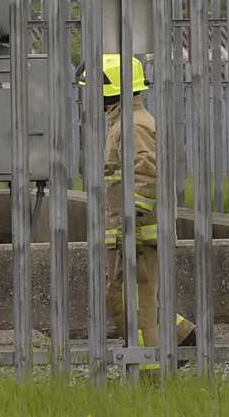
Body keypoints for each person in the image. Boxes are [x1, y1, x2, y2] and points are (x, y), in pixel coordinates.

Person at [88, 53, 198, 355]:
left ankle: (149, 370)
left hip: (137, 234)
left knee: (134, 306)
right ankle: (182, 337)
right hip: (134, 232)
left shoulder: (132, 126)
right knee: (134, 302)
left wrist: (129, 222)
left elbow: (146, 175)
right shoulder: (127, 122)